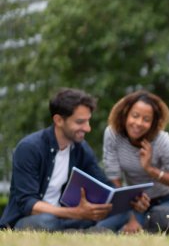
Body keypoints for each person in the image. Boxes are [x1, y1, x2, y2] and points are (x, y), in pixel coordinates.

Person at [0, 88, 115, 231]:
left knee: (97, 219)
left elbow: (102, 184)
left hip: (65, 218)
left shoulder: (81, 149)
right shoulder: (29, 148)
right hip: (27, 220)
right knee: (47, 221)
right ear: (59, 120)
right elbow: (28, 204)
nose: (88, 128)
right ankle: (76, 232)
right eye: (80, 122)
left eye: (88, 121)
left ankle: (76, 230)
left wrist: (130, 199)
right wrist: (76, 213)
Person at [95, 90, 169, 233]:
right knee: (103, 227)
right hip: (136, 203)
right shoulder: (113, 134)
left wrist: (150, 169)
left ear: (153, 123)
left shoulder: (162, 140)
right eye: (135, 116)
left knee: (154, 224)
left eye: (146, 119)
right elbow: (114, 178)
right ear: (126, 113)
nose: (139, 123)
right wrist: (131, 214)